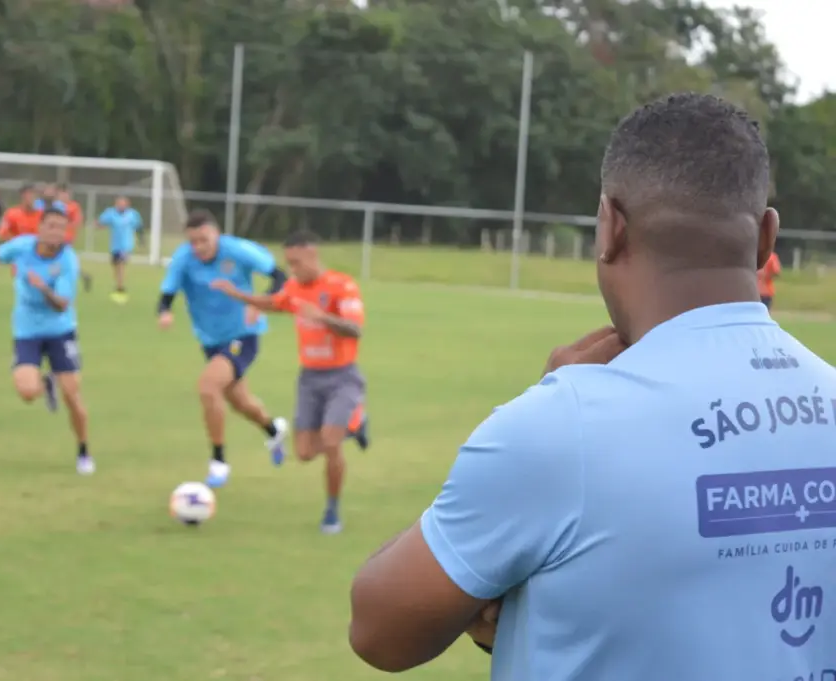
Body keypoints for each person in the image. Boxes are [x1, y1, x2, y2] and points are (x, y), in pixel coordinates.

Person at [347, 93, 836, 680]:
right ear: (765, 238)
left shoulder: (561, 425)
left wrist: (550, 411)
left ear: (610, 227)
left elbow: (380, 631)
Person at [211, 230, 369, 533]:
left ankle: (332, 511)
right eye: (289, 264)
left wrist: (322, 317)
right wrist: (240, 296)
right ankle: (355, 426)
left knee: (331, 442)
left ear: (312, 255)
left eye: (296, 263)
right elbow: (275, 302)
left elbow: (355, 329)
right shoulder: (295, 287)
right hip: (309, 378)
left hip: (342, 377)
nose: (292, 270)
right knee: (305, 453)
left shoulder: (342, 285)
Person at [158, 209, 289, 488]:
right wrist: (164, 312)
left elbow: (280, 276)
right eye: (192, 241)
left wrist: (259, 302)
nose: (198, 247)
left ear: (217, 234)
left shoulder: (238, 250)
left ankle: (219, 461)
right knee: (240, 402)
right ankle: (273, 429)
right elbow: (167, 293)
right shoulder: (184, 258)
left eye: (203, 240)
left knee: (208, 387)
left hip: (244, 334)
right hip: (210, 340)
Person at [0, 207, 93, 476]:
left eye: (61, 228)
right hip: (27, 330)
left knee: (72, 394)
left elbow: (62, 305)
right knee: (27, 393)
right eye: (51, 226)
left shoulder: (67, 261)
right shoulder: (22, 246)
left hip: (61, 330)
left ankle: (83, 450)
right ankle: (45, 382)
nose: (56, 232)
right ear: (40, 228)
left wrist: (43, 287)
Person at [97, 196, 143, 303]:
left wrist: (141, 240)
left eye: (123, 203)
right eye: (119, 203)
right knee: (115, 265)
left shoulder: (132, 215)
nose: (121, 205)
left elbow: (138, 226)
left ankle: (120, 287)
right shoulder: (111, 213)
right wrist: (98, 225)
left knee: (121, 264)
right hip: (115, 245)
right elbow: (102, 222)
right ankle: (118, 284)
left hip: (126, 245)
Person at [56, 184, 92, 292]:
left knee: (60, 260)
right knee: (61, 261)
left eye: (66, 194)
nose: (64, 196)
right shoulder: (55, 206)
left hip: (66, 238)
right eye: (61, 194)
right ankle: (84, 276)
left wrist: (65, 225)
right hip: (55, 237)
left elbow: (77, 222)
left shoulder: (74, 207)